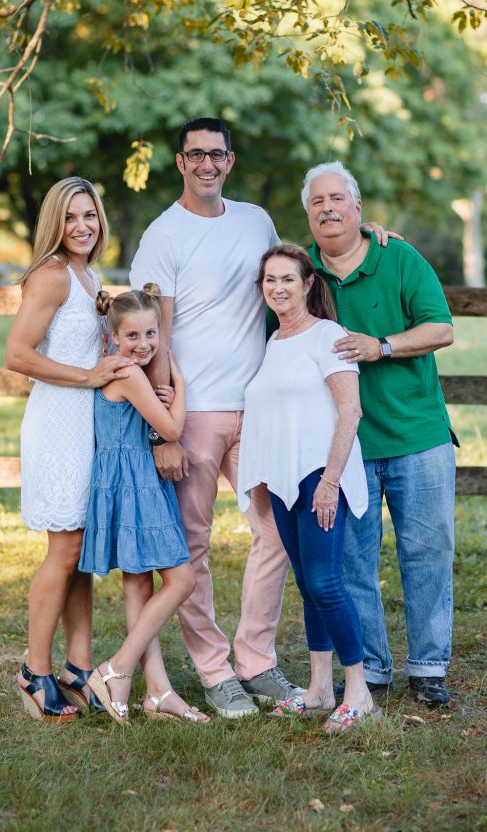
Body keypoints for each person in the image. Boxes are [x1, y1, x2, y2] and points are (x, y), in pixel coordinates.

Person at [129, 118, 393, 718]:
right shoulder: (161, 236)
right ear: (179, 162)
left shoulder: (256, 222)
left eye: (216, 155)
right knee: (193, 547)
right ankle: (216, 671)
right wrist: (160, 425)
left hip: (260, 412)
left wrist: (366, 233)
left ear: (229, 160)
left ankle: (256, 658)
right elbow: (154, 335)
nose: (206, 164)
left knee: (277, 534)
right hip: (192, 414)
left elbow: (299, 262)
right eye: (195, 154)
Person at [303, 161, 457, 707]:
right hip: (348, 446)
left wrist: (382, 345)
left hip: (418, 435)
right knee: (352, 560)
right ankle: (370, 668)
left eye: (337, 198)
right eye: (317, 201)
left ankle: (429, 666)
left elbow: (442, 328)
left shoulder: (399, 257)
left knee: (429, 552)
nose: (328, 208)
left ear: (358, 208)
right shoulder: (303, 276)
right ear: (309, 214)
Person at [238, 244, 381, 734]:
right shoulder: (274, 342)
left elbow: (351, 411)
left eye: (288, 279)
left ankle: (358, 693)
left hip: (321, 477)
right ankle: (319, 690)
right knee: (307, 584)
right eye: (269, 280)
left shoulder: (328, 336)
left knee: (325, 582)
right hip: (282, 480)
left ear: (307, 284)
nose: (278, 288)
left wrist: (330, 480)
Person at [6, 177, 133, 722]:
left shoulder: (87, 274)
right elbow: (17, 354)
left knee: (80, 550)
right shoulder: (53, 275)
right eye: (71, 217)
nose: (82, 227)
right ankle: (34, 672)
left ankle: (77, 668)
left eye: (91, 216)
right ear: (54, 223)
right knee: (65, 549)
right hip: (59, 421)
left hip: (86, 422)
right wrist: (86, 375)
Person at [79, 287, 210, 724]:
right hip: (136, 485)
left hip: (126, 482)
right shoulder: (132, 376)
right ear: (113, 336)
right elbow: (171, 430)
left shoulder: (120, 371)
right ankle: (116, 668)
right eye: (131, 335)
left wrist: (160, 399)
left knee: (138, 584)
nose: (143, 344)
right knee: (182, 580)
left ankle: (158, 692)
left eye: (151, 334)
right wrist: (181, 387)